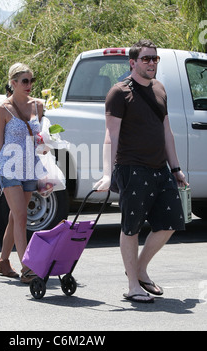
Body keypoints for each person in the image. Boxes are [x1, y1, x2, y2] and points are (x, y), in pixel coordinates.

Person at [94, 39, 188, 303]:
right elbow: (110, 136)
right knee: (131, 228)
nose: (151, 63)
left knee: (171, 223)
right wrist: (107, 174)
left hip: (160, 168)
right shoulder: (119, 92)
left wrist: (176, 168)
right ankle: (133, 285)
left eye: (155, 59)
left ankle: (140, 269)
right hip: (132, 168)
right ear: (133, 62)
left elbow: (166, 131)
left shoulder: (159, 88)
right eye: (146, 59)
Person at [0, 62, 44, 284]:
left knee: (15, 217)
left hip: (30, 167)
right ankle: (27, 267)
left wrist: (47, 143)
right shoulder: (3, 109)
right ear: (13, 83)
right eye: (24, 81)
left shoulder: (38, 106)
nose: (29, 85)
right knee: (21, 216)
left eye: (31, 81)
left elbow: (42, 136)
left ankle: (3, 261)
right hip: (9, 168)